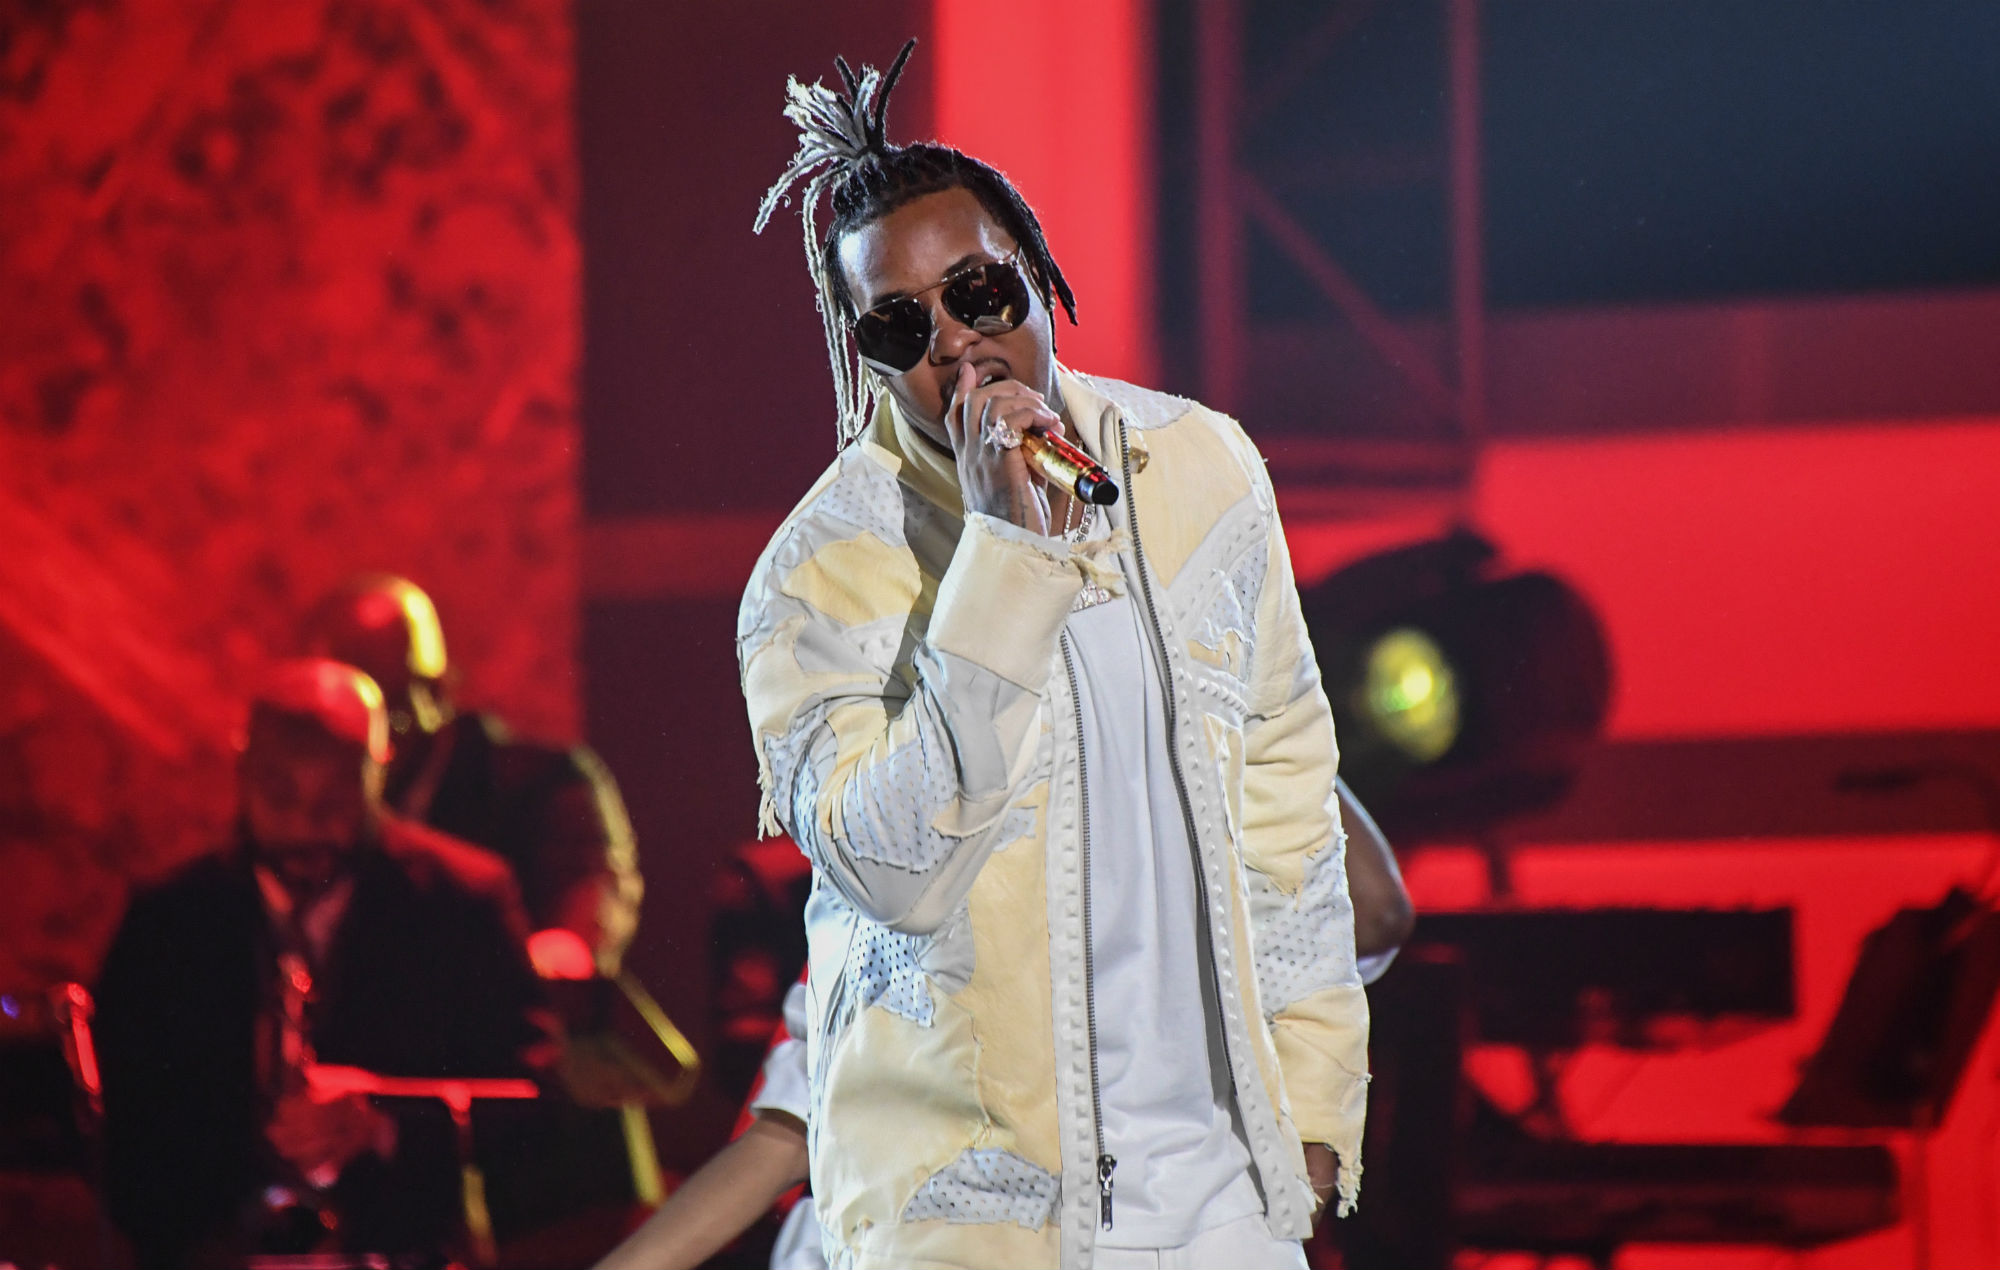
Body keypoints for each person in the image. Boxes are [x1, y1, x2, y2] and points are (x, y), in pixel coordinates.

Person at [734, 42, 1373, 1268]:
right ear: (865, 354)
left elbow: (1286, 807)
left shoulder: (1200, 469)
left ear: (1034, 274)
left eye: (977, 292)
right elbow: (897, 870)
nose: (954, 344)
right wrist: (1000, 552)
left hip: (1221, 1197)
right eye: (899, 325)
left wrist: (1309, 1118)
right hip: (975, 1218)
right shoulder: (818, 571)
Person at [594, 783, 1413, 1270]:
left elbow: (1373, 913)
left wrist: (1231, 680)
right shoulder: (895, 868)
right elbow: (784, 1134)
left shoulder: (1162, 873)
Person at [93, 659, 554, 1268]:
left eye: (337, 799)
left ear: (380, 771)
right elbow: (116, 1123)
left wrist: (387, 1121)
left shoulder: (464, 900)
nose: (306, 825)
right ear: (242, 770)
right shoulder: (167, 918)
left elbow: (538, 1098)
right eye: (280, 794)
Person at [301, 573, 643, 975]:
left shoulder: (543, 781)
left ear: (435, 690)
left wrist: (560, 951)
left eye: (391, 708)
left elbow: (591, 891)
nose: (372, 737)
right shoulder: (310, 804)